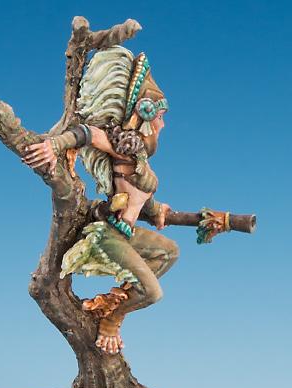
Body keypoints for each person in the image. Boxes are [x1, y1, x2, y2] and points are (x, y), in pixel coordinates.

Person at [23, 47, 179, 354]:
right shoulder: (124, 148)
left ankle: (113, 302)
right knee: (153, 292)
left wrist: (155, 209)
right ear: (144, 116)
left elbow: (136, 197)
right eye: (160, 117)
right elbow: (86, 133)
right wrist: (54, 145)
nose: (163, 125)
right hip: (108, 236)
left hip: (125, 232)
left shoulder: (138, 157)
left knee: (170, 252)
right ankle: (112, 319)